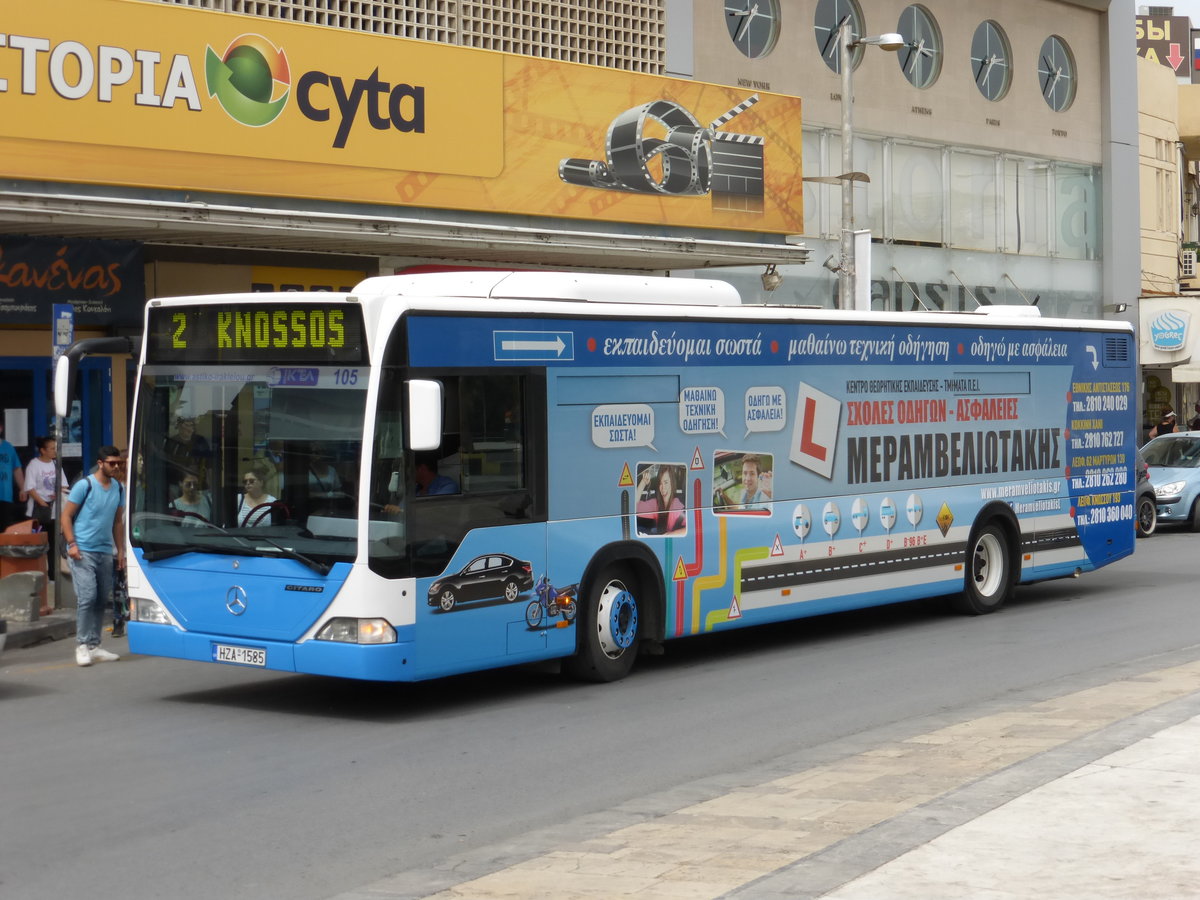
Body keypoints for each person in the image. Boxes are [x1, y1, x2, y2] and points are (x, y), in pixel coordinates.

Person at [61, 446, 126, 666]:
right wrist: (72, 544)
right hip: (82, 551)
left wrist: (121, 552)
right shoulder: (85, 485)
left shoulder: (118, 488)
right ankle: (81, 645)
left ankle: (94, 645)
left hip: (105, 551)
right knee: (87, 597)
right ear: (100, 463)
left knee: (100, 600)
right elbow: (66, 516)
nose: (116, 467)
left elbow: (118, 522)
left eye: (119, 463)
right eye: (112, 463)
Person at [24, 435, 68, 560]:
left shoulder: (56, 464)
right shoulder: (34, 465)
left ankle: (53, 575)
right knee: (38, 542)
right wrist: (43, 503)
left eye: (56, 448)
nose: (55, 451)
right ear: (43, 450)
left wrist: (58, 493)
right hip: (39, 509)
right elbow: (30, 488)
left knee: (53, 543)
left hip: (54, 510)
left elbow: (63, 485)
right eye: (52, 448)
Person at [636, 465, 686, 535]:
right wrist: (643, 482)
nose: (663, 488)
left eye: (666, 482)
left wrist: (670, 534)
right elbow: (634, 507)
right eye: (660, 483)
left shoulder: (678, 506)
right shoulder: (655, 504)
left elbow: (693, 528)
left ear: (672, 484)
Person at [0, 419, 27, 530]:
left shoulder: (8, 447)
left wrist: (22, 488)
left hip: (5, 495)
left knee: (3, 528)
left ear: (0, 428)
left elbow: (16, 469)